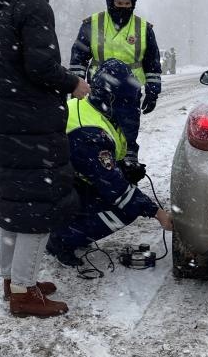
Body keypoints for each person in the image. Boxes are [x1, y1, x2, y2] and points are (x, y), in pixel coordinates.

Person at [0, 0, 90, 318]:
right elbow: (40, 67)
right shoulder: (33, 6)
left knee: (15, 206)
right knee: (38, 207)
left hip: (2, 120)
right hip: (31, 123)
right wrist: (74, 83)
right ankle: (24, 291)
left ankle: (13, 280)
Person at [46, 59, 173, 267]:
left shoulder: (90, 108)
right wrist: (157, 213)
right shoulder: (90, 133)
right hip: (52, 195)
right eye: (129, 99)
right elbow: (115, 188)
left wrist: (124, 168)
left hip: (56, 186)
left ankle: (66, 227)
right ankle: (62, 238)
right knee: (126, 207)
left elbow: (102, 166)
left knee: (123, 194)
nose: (133, 105)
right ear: (114, 98)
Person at [68, 0, 161, 164]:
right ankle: (101, 166)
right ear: (110, 1)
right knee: (98, 130)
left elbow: (152, 63)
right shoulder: (92, 24)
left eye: (128, 4)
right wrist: (75, 84)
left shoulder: (143, 28)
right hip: (98, 91)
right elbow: (78, 58)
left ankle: (128, 167)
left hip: (130, 91)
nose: (123, 8)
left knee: (128, 132)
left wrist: (153, 90)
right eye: (119, 3)